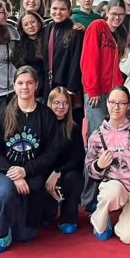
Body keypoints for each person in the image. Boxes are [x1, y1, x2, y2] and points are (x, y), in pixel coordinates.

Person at [0, 66, 60, 254]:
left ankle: (16, 219)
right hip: (5, 170)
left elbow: (52, 152)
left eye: (29, 83)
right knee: (5, 192)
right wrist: (15, 174)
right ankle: (0, 234)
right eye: (20, 83)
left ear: (36, 85)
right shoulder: (4, 115)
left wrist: (26, 170)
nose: (24, 87)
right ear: (14, 86)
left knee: (25, 235)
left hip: (32, 172)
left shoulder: (46, 115)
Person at [85, 86, 130, 244]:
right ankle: (101, 217)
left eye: (121, 103)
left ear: (128, 105)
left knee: (129, 237)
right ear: (107, 103)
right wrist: (99, 165)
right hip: (113, 187)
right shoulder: (97, 135)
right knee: (112, 192)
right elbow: (90, 171)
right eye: (113, 102)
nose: (116, 107)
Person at [81, 0, 127, 136]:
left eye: (121, 14)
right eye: (114, 14)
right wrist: (92, 89)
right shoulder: (97, 26)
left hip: (115, 91)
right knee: (98, 132)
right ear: (106, 12)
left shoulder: (122, 33)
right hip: (97, 90)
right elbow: (89, 59)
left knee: (114, 133)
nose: (117, 18)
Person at [43, 88, 85, 234]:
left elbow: (78, 158)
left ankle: (68, 218)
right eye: (57, 103)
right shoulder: (41, 126)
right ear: (50, 103)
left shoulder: (74, 128)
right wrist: (49, 176)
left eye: (65, 103)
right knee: (45, 216)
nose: (61, 107)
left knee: (74, 178)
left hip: (64, 173)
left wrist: (58, 172)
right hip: (45, 173)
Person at [42, 0, 84, 97]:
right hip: (49, 84)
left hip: (66, 86)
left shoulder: (76, 31)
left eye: (63, 9)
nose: (58, 12)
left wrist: (72, 88)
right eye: (55, 8)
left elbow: (76, 61)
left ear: (69, 11)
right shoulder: (48, 28)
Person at [12, 11, 48, 92]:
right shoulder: (18, 43)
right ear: (22, 27)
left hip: (46, 86)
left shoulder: (48, 38)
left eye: (33, 22)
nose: (30, 26)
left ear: (39, 23)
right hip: (27, 88)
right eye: (26, 24)